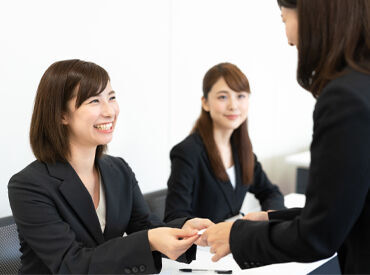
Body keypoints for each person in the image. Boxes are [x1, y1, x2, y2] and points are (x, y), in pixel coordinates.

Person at [202, 0, 370, 273]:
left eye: (284, 19)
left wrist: (238, 235)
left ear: (313, 16)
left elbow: (320, 232)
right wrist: (272, 219)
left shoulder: (345, 98)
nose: (290, 39)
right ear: (205, 102)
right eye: (223, 97)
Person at [8, 59, 213, 274]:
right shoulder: (28, 185)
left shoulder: (118, 170)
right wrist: (149, 240)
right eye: (94, 101)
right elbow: (70, 264)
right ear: (61, 115)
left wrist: (183, 230)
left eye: (111, 97)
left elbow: (145, 227)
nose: (110, 111)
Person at [164, 62, 285, 224]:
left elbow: (271, 193)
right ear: (205, 103)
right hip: (204, 246)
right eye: (223, 97)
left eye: (240, 96)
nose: (233, 105)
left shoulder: (241, 150)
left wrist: (269, 217)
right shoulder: (187, 152)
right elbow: (175, 217)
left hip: (234, 242)